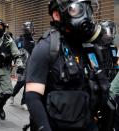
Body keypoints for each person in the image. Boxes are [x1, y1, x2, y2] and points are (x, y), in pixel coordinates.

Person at [25, 0, 112, 131]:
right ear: (57, 15)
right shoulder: (46, 48)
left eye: (88, 9)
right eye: (77, 9)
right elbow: (32, 97)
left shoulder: (90, 48)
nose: (85, 15)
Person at [0, 19, 22, 125]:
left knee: (8, 92)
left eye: (0, 26)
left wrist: (20, 65)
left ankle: (0, 107)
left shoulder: (9, 40)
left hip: (5, 71)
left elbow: (16, 54)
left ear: (4, 27)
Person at [10, 21, 35, 110]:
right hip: (21, 65)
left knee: (27, 84)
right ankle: (12, 95)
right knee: (20, 83)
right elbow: (15, 52)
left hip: (31, 65)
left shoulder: (32, 40)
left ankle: (24, 102)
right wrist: (14, 61)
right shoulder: (19, 40)